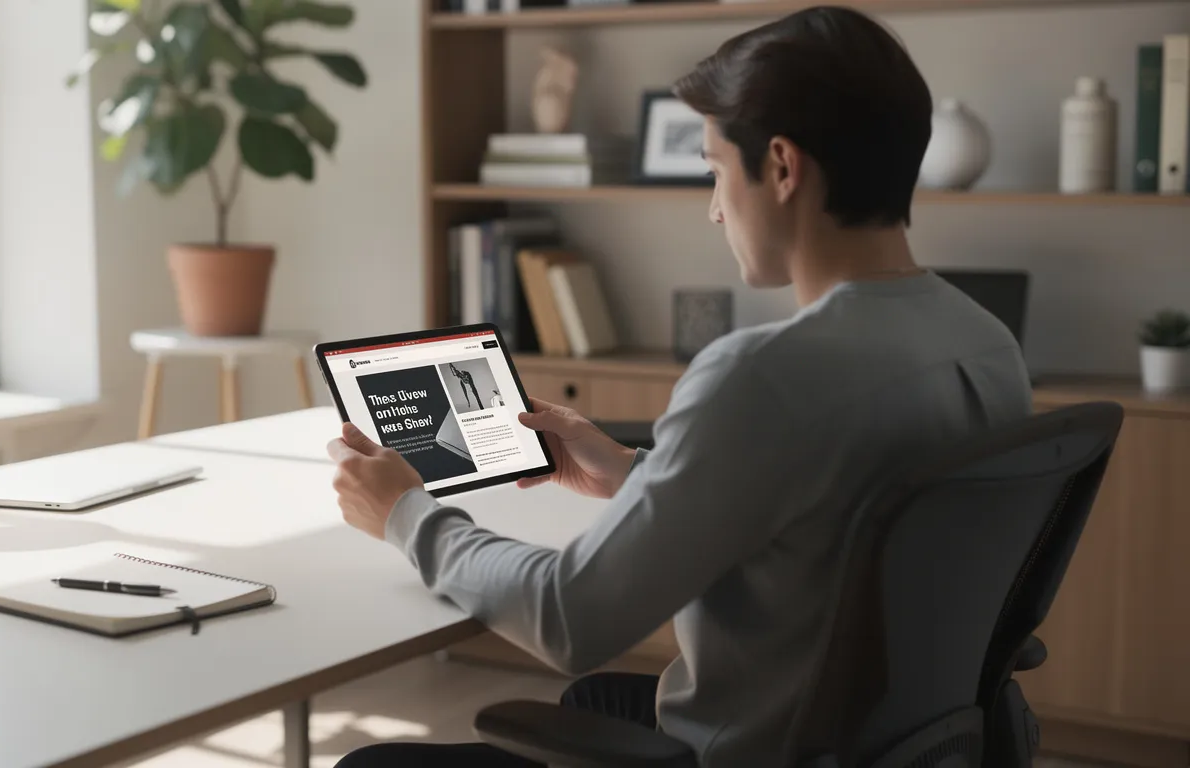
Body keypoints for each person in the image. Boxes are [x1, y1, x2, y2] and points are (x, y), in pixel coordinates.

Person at [326, 7, 1031, 767]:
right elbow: (832, 516)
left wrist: (405, 514)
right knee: (594, 704)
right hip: (883, 740)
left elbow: (570, 619)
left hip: (762, 749)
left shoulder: (762, 375)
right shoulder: (988, 345)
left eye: (716, 170)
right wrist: (637, 475)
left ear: (784, 168)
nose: (715, 208)